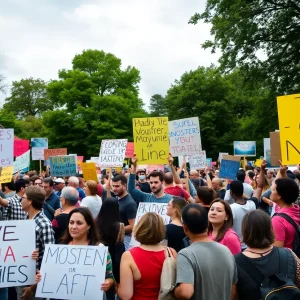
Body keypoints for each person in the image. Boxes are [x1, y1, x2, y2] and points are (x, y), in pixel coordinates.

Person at [36, 207, 115, 299]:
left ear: (89, 226)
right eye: (71, 222)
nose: (74, 227)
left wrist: (108, 283)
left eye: (79, 223)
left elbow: (110, 276)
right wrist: (41, 278)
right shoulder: (60, 248)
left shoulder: (99, 249)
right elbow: (51, 276)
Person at [174, 204, 237, 300]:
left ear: (185, 228)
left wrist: (174, 290)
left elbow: (185, 292)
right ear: (207, 223)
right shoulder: (226, 250)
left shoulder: (186, 254)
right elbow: (233, 291)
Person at [235, 210, 300, 300]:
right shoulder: (289, 253)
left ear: (245, 231)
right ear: (270, 229)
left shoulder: (235, 263)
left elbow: (232, 295)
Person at [118, 213, 177, 300]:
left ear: (139, 229)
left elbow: (126, 295)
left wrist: (116, 287)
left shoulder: (129, 256)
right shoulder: (171, 253)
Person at [19, 185, 55, 300]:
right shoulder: (26, 218)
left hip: (35, 283)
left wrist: (33, 287)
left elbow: (50, 258)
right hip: (22, 276)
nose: (20, 200)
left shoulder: (44, 224)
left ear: (30, 201)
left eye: (23, 197)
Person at [229, 162, 266, 249]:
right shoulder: (252, 204)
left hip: (237, 246)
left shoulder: (230, 209)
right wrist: (262, 169)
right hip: (252, 245)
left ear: (231, 193)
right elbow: (260, 187)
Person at [96, 197, 125, 292]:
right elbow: (120, 247)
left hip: (99, 255)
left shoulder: (95, 222)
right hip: (114, 256)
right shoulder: (120, 226)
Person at [271, 177, 300, 249]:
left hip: (287, 259)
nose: (271, 192)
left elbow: (277, 251)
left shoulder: (278, 220)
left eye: (273, 190)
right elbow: (288, 187)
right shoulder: (296, 209)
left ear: (279, 196)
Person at [110, 174, 137, 250]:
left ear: (124, 186)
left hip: (125, 239)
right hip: (117, 238)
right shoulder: (117, 197)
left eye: (117, 186)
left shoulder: (130, 203)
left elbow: (132, 226)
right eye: (113, 186)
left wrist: (116, 230)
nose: (114, 189)